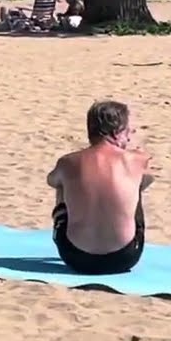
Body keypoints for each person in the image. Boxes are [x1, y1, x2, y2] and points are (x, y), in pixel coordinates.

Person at [45, 101, 154, 275]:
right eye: (127, 132)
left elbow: (51, 181)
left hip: (74, 257)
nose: (129, 139)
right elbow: (149, 179)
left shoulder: (68, 162)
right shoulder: (136, 160)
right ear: (117, 132)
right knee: (137, 184)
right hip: (124, 258)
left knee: (62, 184)